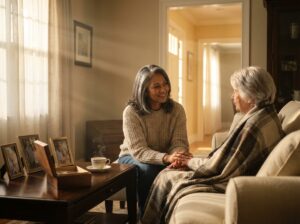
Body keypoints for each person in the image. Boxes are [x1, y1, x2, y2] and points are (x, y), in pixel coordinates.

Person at [141, 66, 285, 224]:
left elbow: (217, 166)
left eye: (236, 91)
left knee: (166, 176)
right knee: (166, 173)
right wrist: (182, 159)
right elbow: (226, 159)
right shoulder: (266, 115)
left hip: (233, 181)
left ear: (249, 95)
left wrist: (187, 161)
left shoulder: (253, 125)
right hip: (237, 175)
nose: (233, 96)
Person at [118, 64, 191, 215]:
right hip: (131, 157)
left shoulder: (177, 109)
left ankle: (171, 214)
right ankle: (146, 217)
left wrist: (177, 157)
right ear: (144, 89)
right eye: (156, 86)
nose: (163, 89)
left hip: (164, 156)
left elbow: (179, 142)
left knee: (181, 168)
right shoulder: (131, 112)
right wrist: (166, 158)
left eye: (165, 84)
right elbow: (139, 151)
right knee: (149, 170)